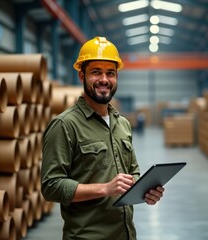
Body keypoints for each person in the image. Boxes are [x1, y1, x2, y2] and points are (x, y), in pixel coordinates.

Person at [41, 36, 165, 240]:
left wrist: (145, 192)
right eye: (96, 72)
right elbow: (51, 186)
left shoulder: (122, 124)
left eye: (110, 73)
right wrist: (105, 188)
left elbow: (132, 172)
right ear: (82, 76)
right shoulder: (65, 125)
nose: (104, 79)